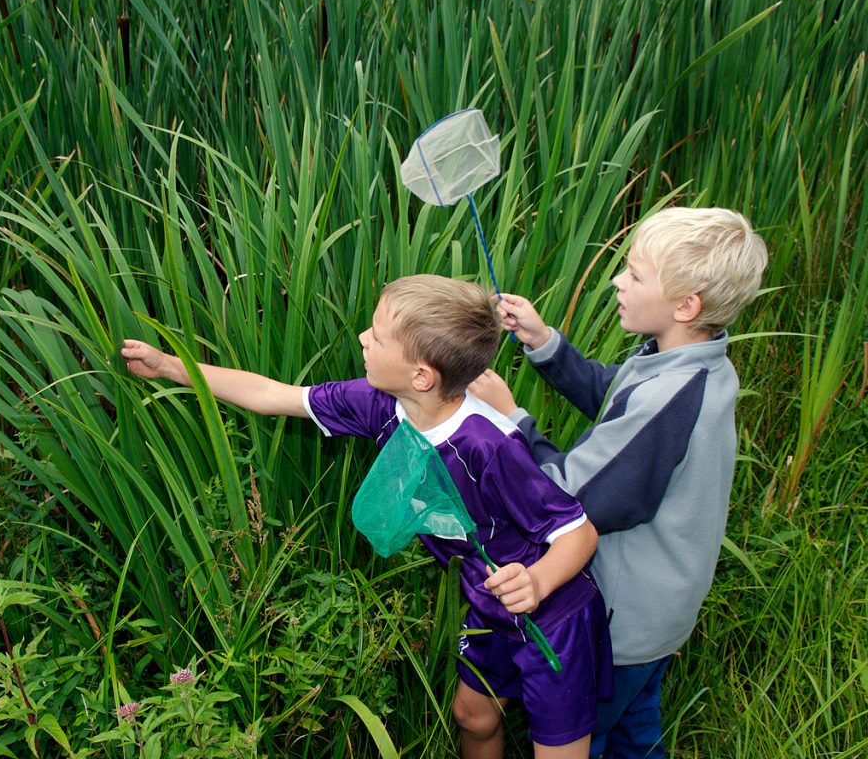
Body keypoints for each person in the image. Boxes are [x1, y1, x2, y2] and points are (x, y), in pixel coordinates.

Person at [122, 274, 609, 759]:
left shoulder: (488, 445)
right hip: (489, 603)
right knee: (474, 717)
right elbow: (276, 396)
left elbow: (579, 533)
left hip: (554, 618)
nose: (363, 338)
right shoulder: (381, 403)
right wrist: (171, 367)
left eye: (376, 336)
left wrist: (539, 582)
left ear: (422, 375)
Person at [469, 207, 769, 759]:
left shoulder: (668, 400)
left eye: (634, 274)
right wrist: (546, 344)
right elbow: (614, 400)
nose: (617, 281)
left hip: (623, 622)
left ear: (686, 305)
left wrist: (510, 421)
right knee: (637, 727)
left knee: (594, 731)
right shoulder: (691, 363)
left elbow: (569, 498)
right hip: (662, 609)